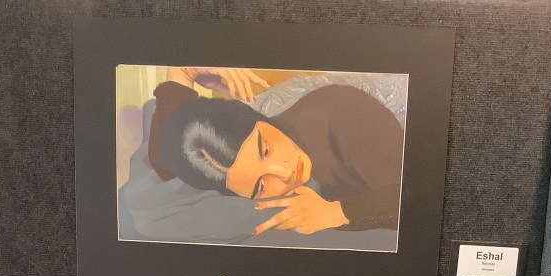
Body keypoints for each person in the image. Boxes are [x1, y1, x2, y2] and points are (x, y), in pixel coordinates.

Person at [148, 67, 405, 235]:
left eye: (265, 150)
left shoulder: (347, 117)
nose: (284, 173)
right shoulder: (201, 161)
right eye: (261, 187)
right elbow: (162, 159)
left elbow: (414, 200)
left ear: (257, 118)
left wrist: (338, 212)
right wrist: (182, 73)